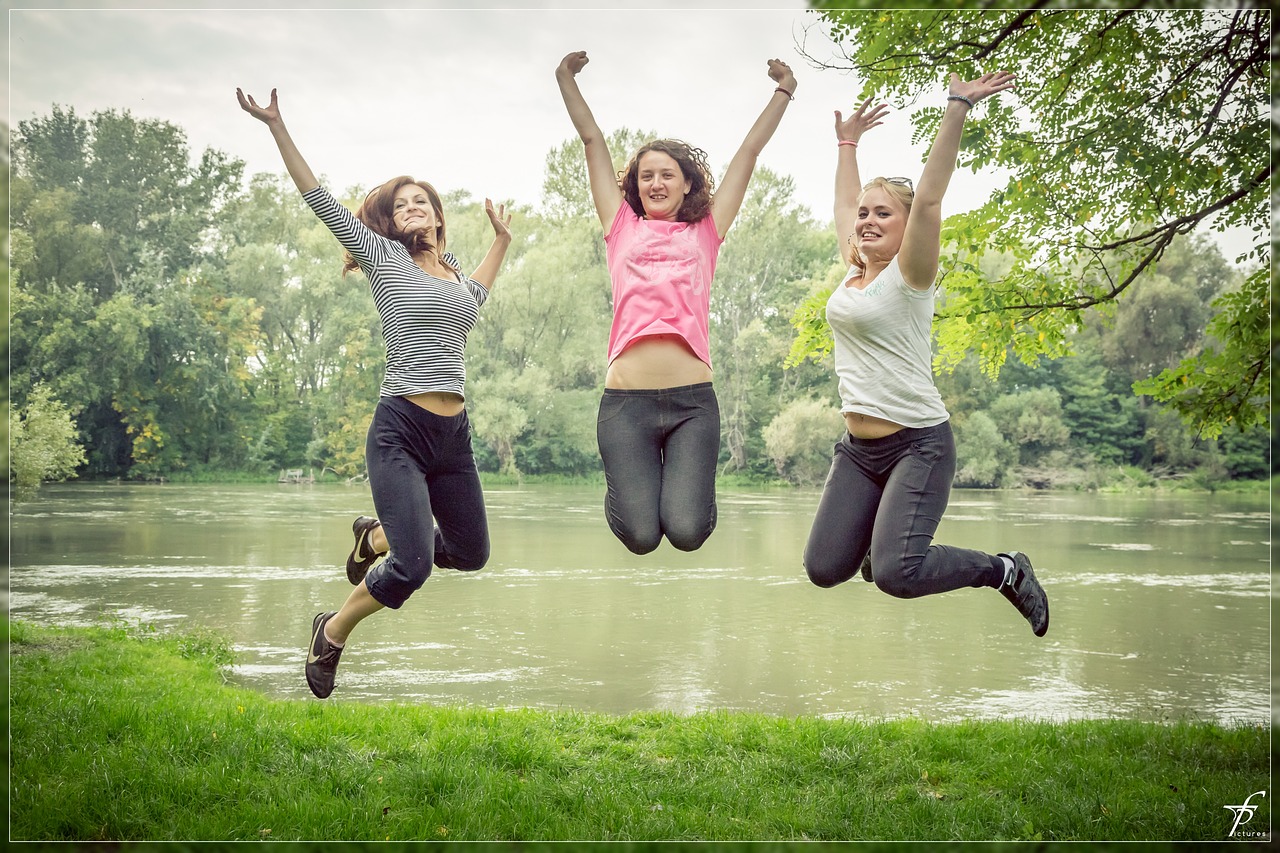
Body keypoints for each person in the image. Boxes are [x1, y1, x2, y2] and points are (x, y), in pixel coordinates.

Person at [237, 87, 513, 697]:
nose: (413, 207)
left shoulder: (458, 275)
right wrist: (278, 126)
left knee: (470, 553)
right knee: (413, 567)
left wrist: (502, 241)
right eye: (402, 203)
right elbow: (319, 201)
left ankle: (377, 534)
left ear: (439, 217)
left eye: (423, 202)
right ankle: (332, 631)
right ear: (392, 221)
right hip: (401, 431)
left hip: (453, 436)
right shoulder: (386, 258)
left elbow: (479, 297)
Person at [803, 72, 1050, 637]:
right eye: (865, 215)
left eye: (882, 214)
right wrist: (848, 144)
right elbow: (845, 201)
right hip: (859, 451)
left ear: (906, 227)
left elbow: (931, 196)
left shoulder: (911, 277)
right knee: (823, 569)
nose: (866, 221)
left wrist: (958, 106)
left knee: (898, 573)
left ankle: (1004, 571)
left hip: (919, 442)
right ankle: (881, 539)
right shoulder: (853, 270)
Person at [554, 50, 797, 554]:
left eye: (667, 174)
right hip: (625, 407)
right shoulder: (619, 227)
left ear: (686, 183)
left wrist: (784, 90)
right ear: (634, 186)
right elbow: (592, 141)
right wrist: (565, 79)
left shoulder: (706, 231)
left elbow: (748, 155)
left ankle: (689, 488)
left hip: (692, 405)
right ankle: (628, 485)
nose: (656, 183)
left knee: (686, 532)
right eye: (646, 175)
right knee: (641, 537)